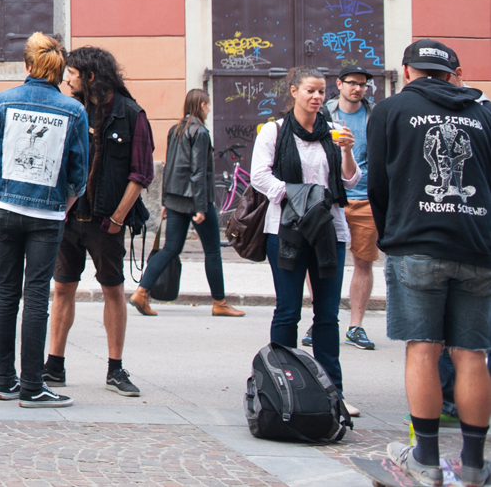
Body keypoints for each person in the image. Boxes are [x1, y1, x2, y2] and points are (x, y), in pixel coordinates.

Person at [367, 40, 491, 486]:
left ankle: (425, 458)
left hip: (416, 241)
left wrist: (391, 234)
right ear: (452, 73)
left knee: (423, 347)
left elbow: (377, 181)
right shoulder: (483, 111)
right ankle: (475, 464)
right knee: (471, 353)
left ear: (406, 71)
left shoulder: (391, 109)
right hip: (477, 245)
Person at [0, 33, 88, 407]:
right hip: (47, 212)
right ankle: (32, 384)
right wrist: (66, 204)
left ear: (28, 66)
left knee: (7, 293)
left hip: (6, 208)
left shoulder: (3, 101)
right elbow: (78, 173)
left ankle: (5, 381)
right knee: (37, 296)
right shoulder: (73, 110)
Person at [45, 46, 153, 398]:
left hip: (107, 221)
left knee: (112, 289)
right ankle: (54, 365)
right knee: (62, 287)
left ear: (90, 76)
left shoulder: (131, 114)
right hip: (70, 217)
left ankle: (115, 368)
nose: (66, 79)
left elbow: (140, 174)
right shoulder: (72, 111)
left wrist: (118, 219)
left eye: (72, 73)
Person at [251, 66, 361, 408]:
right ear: (294, 91)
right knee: (287, 311)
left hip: (330, 231)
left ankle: (333, 394)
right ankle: (282, 387)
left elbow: (351, 181)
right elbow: (260, 177)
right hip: (286, 230)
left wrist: (346, 151)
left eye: (321, 92)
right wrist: (302, 195)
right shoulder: (274, 131)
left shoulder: (333, 133)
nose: (317, 97)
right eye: (310, 91)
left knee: (327, 314)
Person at [132, 89, 244, 318]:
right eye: (208, 105)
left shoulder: (175, 130)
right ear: (202, 105)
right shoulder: (200, 132)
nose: (209, 109)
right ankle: (219, 302)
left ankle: (142, 291)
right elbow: (198, 171)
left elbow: (169, 167)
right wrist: (201, 207)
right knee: (213, 250)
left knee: (171, 248)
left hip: (175, 199)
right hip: (195, 200)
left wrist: (165, 201)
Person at [329, 65, 379, 352]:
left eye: (363, 84)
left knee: (363, 262)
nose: (358, 88)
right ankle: (323, 320)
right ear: (340, 84)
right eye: (352, 83)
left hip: (366, 199)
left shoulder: (375, 114)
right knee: (324, 263)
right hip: (334, 199)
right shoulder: (325, 113)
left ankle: (355, 326)